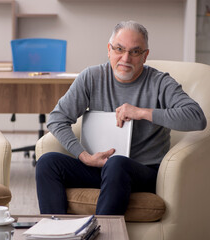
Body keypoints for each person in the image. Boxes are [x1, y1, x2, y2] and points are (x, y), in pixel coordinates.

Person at [35, 20, 207, 215]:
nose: (126, 58)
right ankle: (57, 233)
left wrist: (142, 112)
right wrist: (85, 157)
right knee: (47, 162)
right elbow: (57, 119)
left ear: (145, 56)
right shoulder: (91, 77)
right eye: (119, 49)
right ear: (109, 49)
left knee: (117, 163)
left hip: (143, 172)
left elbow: (196, 118)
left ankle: (102, 234)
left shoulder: (160, 82)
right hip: (97, 166)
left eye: (135, 52)